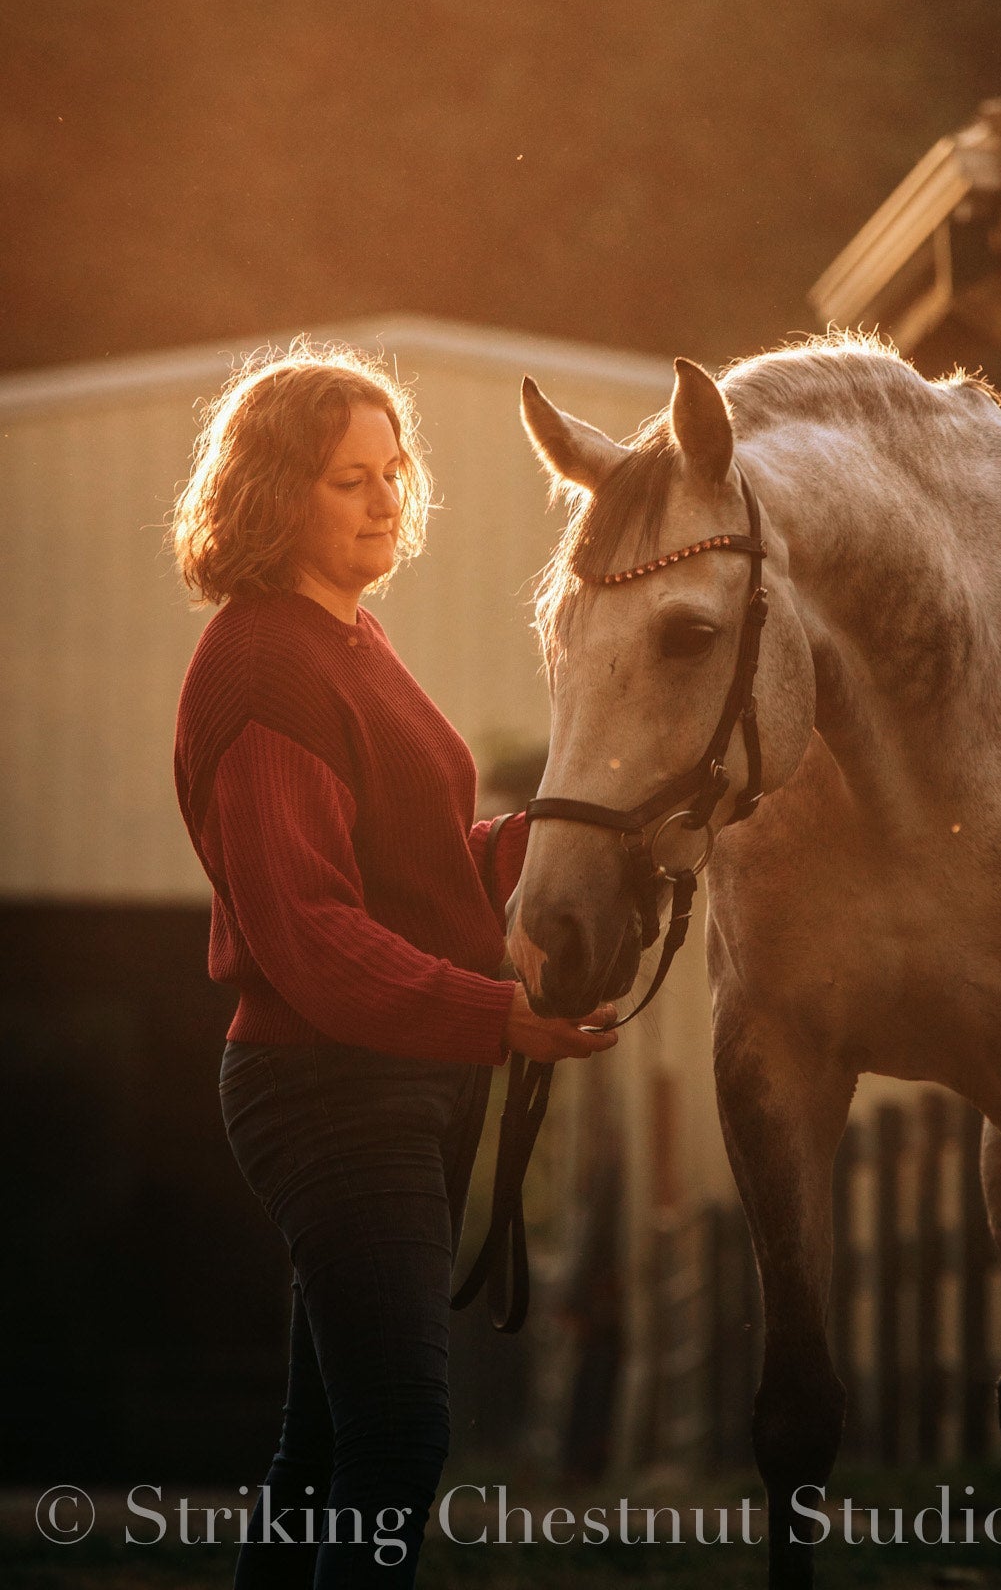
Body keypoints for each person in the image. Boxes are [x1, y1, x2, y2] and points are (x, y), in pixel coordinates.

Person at [171, 341, 616, 1589]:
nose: (383, 498)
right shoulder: (266, 664)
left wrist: (578, 822)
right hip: (328, 1087)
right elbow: (311, 933)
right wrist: (498, 1015)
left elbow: (418, 871)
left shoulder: (351, 640)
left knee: (322, 1445)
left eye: (392, 468)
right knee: (401, 1436)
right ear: (272, 496)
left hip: (396, 1079)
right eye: (345, 479)